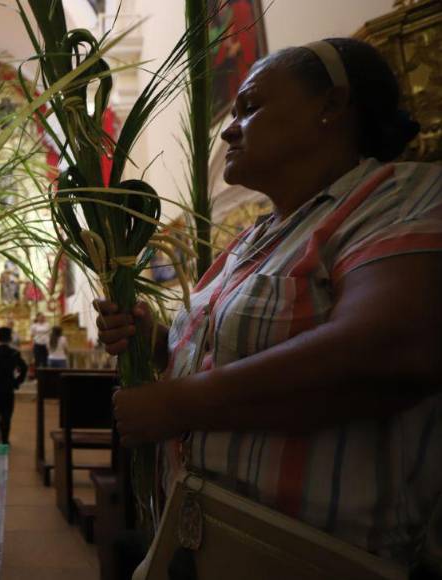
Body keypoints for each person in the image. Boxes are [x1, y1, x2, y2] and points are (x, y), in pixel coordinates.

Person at [96, 38, 441, 571]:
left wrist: (178, 404)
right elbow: (236, 347)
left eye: (250, 107)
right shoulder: (253, 238)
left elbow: (389, 351)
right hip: (197, 538)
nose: (230, 129)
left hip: (313, 557)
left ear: (331, 105)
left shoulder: (400, 196)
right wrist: (160, 341)